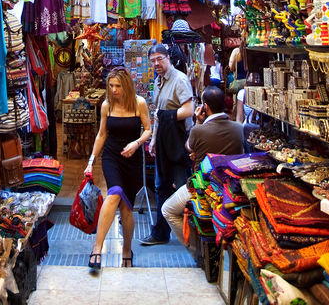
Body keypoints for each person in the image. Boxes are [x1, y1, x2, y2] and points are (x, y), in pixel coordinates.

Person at [162, 86, 244, 255]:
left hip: (202, 186)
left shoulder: (198, 130)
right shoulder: (238, 128)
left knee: (168, 210)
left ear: (205, 107)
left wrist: (198, 123)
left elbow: (189, 147)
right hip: (231, 187)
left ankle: (197, 250)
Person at [85, 68, 152, 270]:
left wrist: (137, 143)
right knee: (113, 194)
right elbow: (102, 134)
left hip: (131, 160)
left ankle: (126, 249)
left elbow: (148, 129)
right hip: (112, 156)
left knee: (126, 208)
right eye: (111, 86)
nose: (114, 90)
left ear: (127, 85)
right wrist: (91, 160)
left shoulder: (139, 103)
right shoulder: (107, 105)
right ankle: (97, 248)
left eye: (118, 86)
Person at [140, 44, 194, 246]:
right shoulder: (159, 81)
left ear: (168, 57)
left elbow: (189, 110)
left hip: (178, 142)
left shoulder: (179, 79)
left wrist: (167, 116)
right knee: (161, 186)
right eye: (153, 60)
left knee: (182, 188)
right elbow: (158, 114)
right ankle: (161, 232)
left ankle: (192, 232)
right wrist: (154, 139)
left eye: (159, 59)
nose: (156, 63)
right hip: (164, 139)